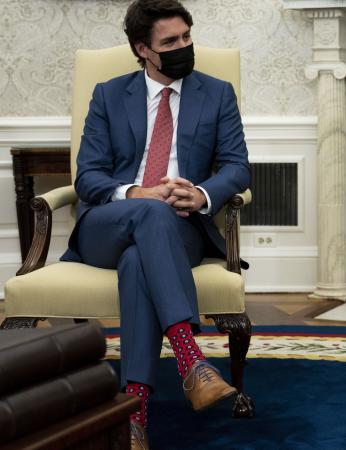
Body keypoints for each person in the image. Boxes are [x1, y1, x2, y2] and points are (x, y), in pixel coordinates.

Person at [60, 1, 251, 448]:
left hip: (180, 228)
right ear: (143, 49)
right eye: (170, 42)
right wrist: (136, 193)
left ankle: (135, 415)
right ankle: (190, 360)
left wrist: (201, 194)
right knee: (148, 213)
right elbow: (87, 177)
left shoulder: (216, 92)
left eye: (187, 37)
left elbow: (237, 166)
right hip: (108, 225)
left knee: (136, 263)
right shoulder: (110, 95)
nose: (184, 47)